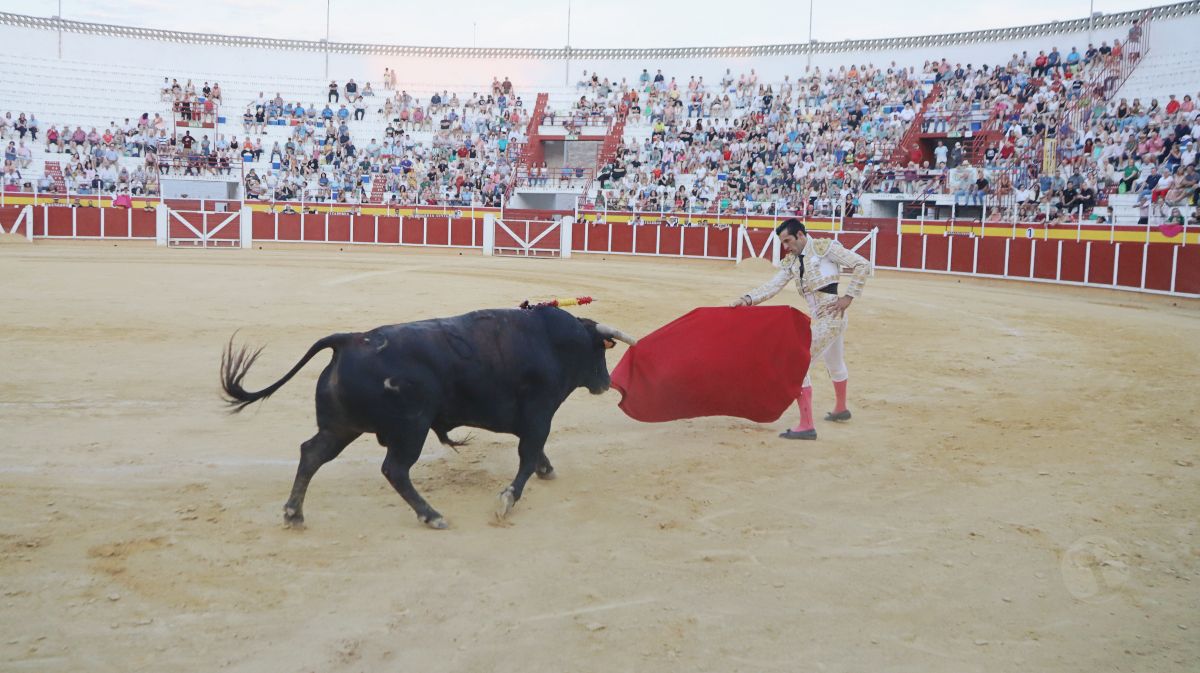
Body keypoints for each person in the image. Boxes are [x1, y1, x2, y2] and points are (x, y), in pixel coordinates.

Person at [731, 218, 872, 440]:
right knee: (835, 363)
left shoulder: (825, 249)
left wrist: (849, 296)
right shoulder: (793, 262)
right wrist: (748, 299)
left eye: (788, 240)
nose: (786, 246)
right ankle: (841, 409)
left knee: (799, 364)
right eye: (783, 242)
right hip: (826, 319)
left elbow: (863, 264)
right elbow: (773, 286)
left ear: (800, 235)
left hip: (831, 317)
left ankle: (807, 425)